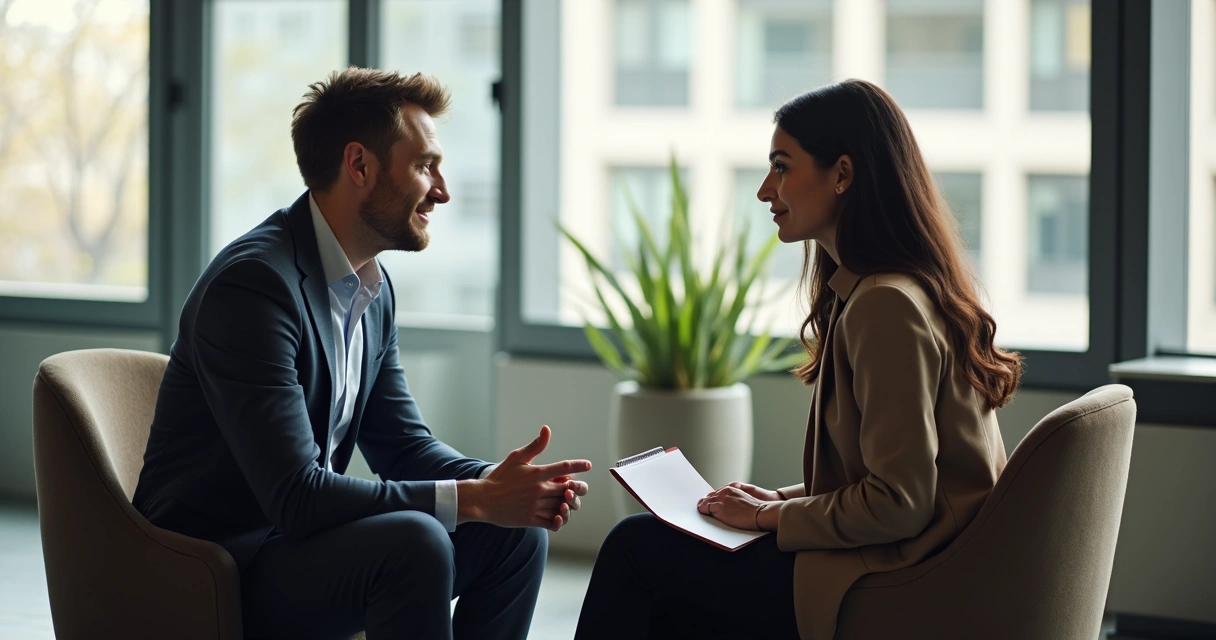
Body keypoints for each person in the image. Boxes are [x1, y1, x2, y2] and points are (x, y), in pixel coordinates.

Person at [132, 67, 591, 640]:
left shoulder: (371, 290)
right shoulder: (254, 286)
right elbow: (297, 496)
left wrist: (503, 486)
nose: (443, 190)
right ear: (360, 166)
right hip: (215, 565)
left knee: (515, 531)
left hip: (292, 546)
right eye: (426, 166)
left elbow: (404, 448)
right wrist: (474, 497)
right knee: (416, 543)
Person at [574, 79, 1020, 640]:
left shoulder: (885, 306)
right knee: (668, 605)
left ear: (842, 174)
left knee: (634, 547)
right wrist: (780, 498)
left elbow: (900, 504)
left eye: (781, 167)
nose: (765, 190)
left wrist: (766, 519)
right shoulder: (890, 291)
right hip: (913, 561)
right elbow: (892, 483)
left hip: (901, 578)